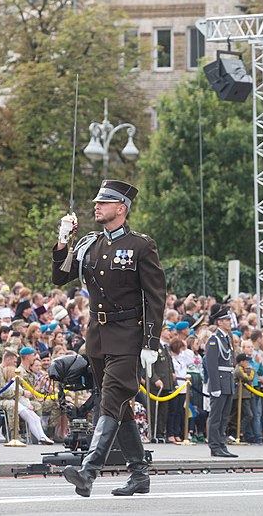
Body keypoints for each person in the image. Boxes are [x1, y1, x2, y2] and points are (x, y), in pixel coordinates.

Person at [52, 179, 166, 497]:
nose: (96, 207)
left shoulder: (141, 246)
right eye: (96, 203)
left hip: (129, 335)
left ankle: (88, 472)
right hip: (99, 337)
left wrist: (150, 342)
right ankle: (139, 475)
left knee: (112, 399)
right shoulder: (90, 243)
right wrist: (63, 240)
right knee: (119, 405)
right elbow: (60, 276)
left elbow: (156, 297)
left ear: (121, 208)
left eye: (103, 203)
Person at [205, 303, 238, 457]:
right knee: (216, 416)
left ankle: (221, 443)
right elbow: (211, 365)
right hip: (219, 381)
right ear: (219, 322)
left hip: (227, 381)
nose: (229, 322)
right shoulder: (214, 340)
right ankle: (214, 446)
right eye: (226, 320)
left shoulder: (226, 339)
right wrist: (216, 386)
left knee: (224, 417)